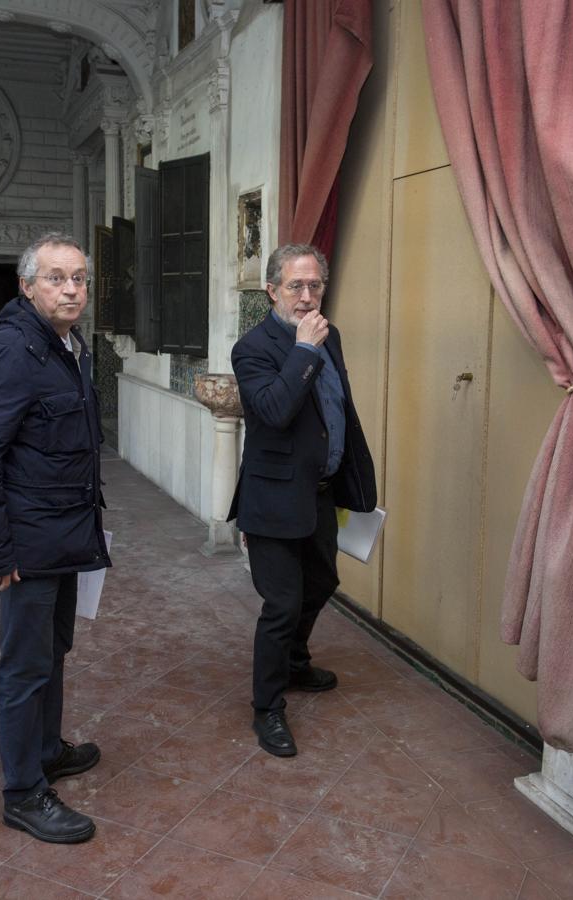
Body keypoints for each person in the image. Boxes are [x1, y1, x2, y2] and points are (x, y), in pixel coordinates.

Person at [0, 232, 109, 844]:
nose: (71, 288)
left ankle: (47, 750)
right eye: (55, 277)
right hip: (26, 544)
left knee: (53, 652)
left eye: (79, 278)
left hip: (65, 534)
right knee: (23, 668)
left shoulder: (65, 345)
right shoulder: (13, 349)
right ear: (27, 286)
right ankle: (23, 791)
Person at [228, 243, 378, 757]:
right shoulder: (253, 348)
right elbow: (273, 410)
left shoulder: (328, 336)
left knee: (322, 582)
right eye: (296, 286)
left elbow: (337, 408)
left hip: (319, 493)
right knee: (282, 603)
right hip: (271, 499)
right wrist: (304, 351)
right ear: (272, 291)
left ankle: (293, 663)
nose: (308, 296)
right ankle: (267, 707)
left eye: (316, 285)